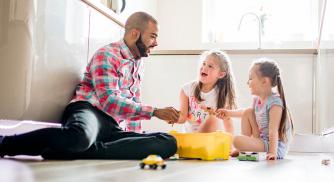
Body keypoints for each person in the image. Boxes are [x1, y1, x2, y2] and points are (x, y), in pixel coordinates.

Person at [0, 12, 180, 160]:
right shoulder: (107, 55)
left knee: (167, 142)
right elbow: (110, 101)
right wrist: (154, 111)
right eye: (153, 36)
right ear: (135, 33)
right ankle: (4, 143)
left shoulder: (138, 62)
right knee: (79, 137)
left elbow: (133, 101)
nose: (155, 43)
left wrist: (135, 137)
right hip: (90, 111)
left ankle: (74, 151)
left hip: (113, 125)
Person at [216, 58, 293, 160]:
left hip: (274, 146)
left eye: (251, 78)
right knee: (248, 112)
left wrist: (272, 153)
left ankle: (243, 147)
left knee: (236, 140)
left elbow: (273, 131)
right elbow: (244, 113)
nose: (248, 82)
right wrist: (228, 113)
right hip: (263, 140)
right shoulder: (257, 100)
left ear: (264, 81)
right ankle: (243, 148)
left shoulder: (275, 103)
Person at [177, 50, 237, 133]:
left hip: (211, 140)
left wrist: (231, 144)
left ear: (221, 74)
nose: (204, 67)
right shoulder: (186, 90)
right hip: (190, 138)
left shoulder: (222, 94)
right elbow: (182, 118)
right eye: (204, 63)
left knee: (213, 119)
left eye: (210, 66)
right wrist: (172, 117)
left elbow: (228, 123)